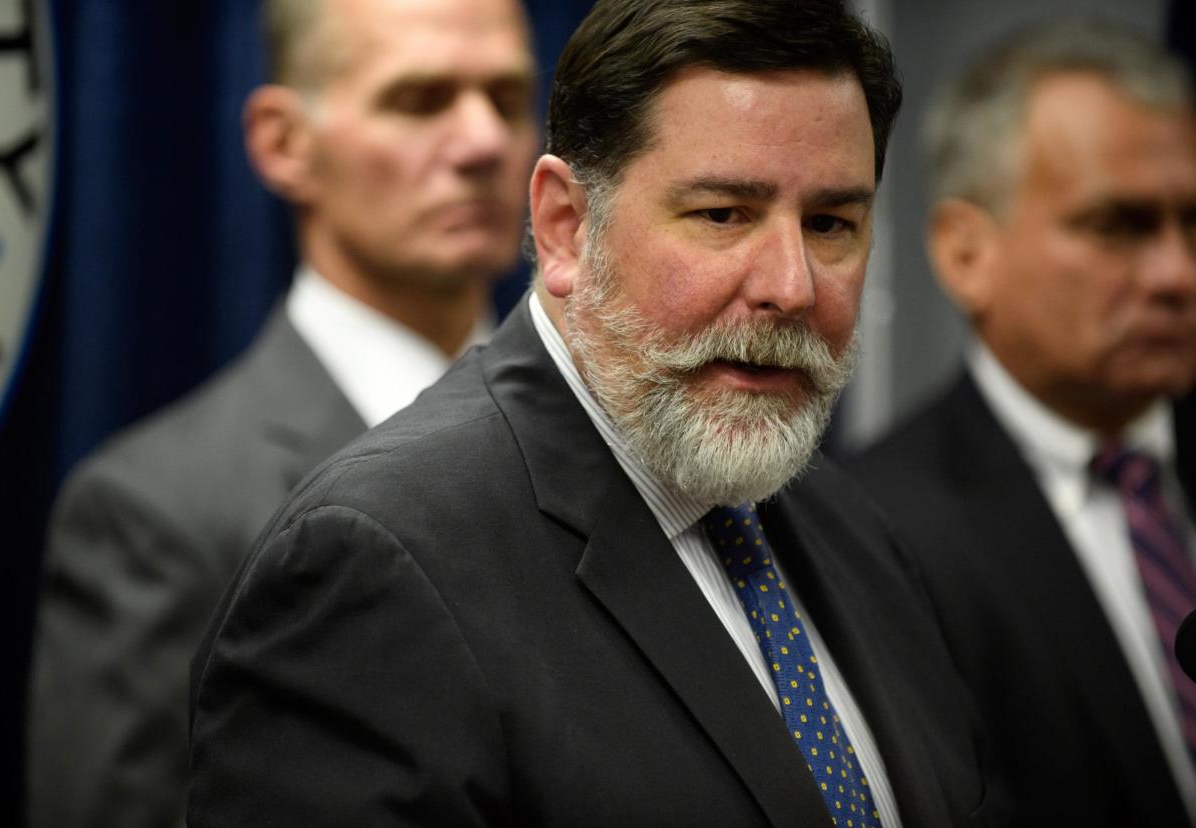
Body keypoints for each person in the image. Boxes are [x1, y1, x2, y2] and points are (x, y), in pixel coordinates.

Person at [187, 1, 1001, 825]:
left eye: (830, 224)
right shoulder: (377, 563)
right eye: (723, 215)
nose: (790, 286)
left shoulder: (845, 521)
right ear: (566, 227)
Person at [27, 0, 538, 825]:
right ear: (282, 143)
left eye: (509, 99)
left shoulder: (615, 448)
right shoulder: (159, 513)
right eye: (419, 100)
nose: (484, 142)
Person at [849, 20, 1196, 826]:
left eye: (1192, 224)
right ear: (967, 252)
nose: (1177, 274)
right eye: (1118, 225)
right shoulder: (874, 531)